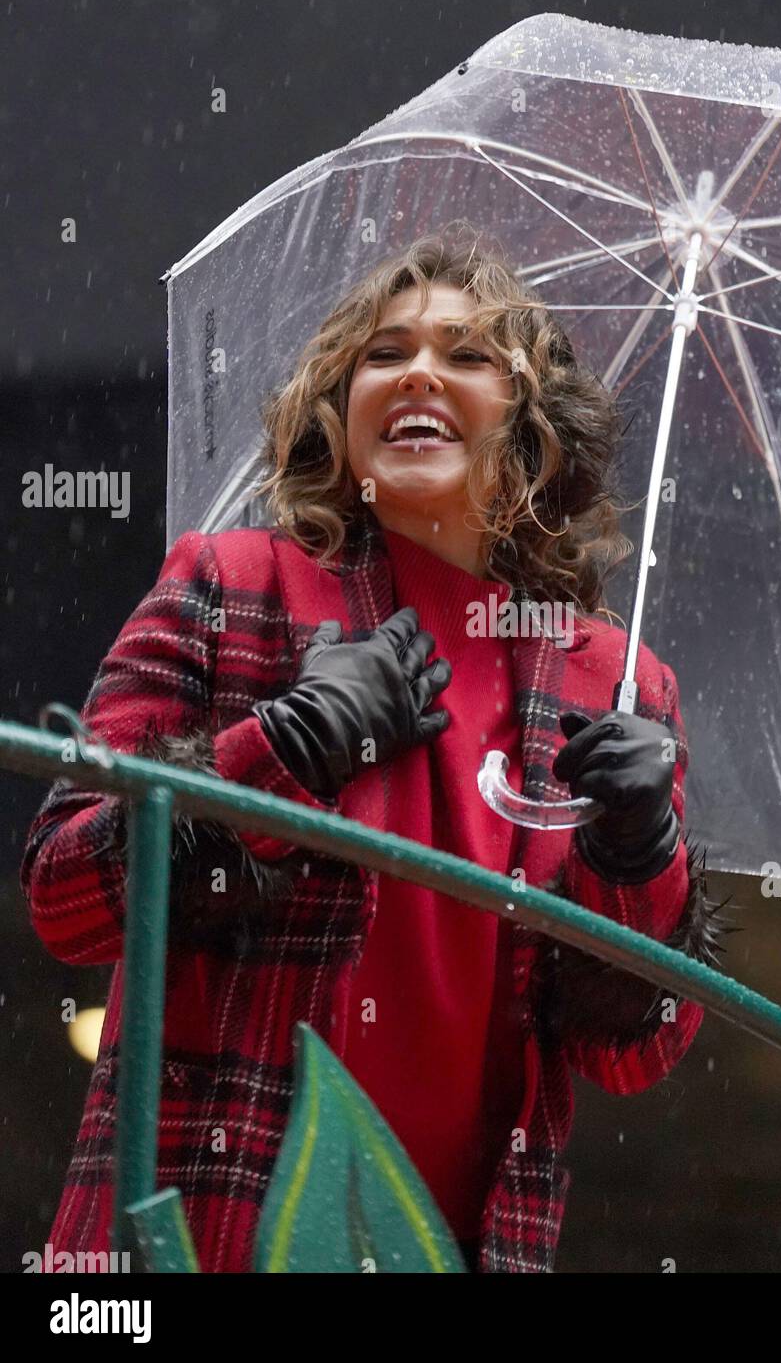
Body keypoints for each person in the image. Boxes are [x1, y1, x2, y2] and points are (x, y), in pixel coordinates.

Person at [21, 225, 729, 1274]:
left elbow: (628, 1049)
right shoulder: (231, 584)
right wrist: (285, 749)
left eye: (468, 354)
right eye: (384, 353)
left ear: (531, 426)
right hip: (208, 1231)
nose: (419, 373)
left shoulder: (617, 682)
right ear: (335, 410)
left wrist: (639, 852)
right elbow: (65, 895)